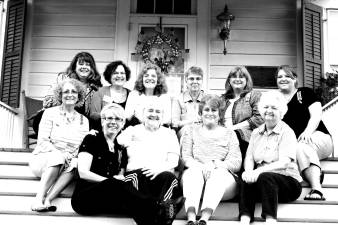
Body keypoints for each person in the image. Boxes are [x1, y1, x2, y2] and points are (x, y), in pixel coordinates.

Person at [71, 103, 174, 225]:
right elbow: (83, 173)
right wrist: (110, 181)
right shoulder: (92, 139)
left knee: (137, 205)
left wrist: (117, 180)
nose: (113, 122)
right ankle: (159, 205)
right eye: (109, 118)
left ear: (123, 124)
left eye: (118, 119)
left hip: (110, 197)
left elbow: (121, 174)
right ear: (102, 120)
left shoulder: (120, 147)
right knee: (119, 185)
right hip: (86, 198)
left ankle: (159, 212)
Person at [238, 91, 302, 224]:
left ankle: (270, 220)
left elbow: (284, 162)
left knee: (265, 176)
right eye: (266, 107)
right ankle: (245, 219)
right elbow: (249, 158)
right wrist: (249, 172)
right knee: (246, 178)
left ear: (282, 112)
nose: (269, 111)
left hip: (288, 183)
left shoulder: (287, 132)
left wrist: (258, 171)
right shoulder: (256, 133)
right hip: (264, 184)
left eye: (274, 107)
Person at [117, 100, 184, 225]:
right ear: (143, 114)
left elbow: (173, 161)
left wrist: (158, 169)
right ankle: (165, 212)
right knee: (137, 185)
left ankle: (164, 206)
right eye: (150, 110)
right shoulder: (132, 130)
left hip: (161, 174)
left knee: (170, 178)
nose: (154, 114)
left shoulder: (169, 134)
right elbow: (117, 140)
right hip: (137, 174)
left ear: (163, 116)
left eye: (158, 111)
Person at [29, 78, 89, 212]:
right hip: (44, 159)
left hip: (67, 162)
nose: (70, 94)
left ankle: (49, 199)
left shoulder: (83, 120)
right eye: (65, 91)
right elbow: (43, 141)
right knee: (57, 157)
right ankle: (38, 199)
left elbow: (81, 146)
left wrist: (71, 155)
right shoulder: (49, 113)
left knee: (78, 162)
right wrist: (60, 153)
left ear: (78, 96)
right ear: (60, 95)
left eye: (74, 92)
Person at [181, 94, 241, 225]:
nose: (210, 113)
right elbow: (186, 157)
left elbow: (236, 162)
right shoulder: (191, 131)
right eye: (206, 110)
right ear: (201, 113)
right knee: (193, 173)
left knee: (217, 174)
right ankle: (191, 219)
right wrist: (202, 167)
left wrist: (214, 164)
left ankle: (204, 220)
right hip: (196, 177)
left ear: (219, 114)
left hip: (224, 183)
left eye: (214, 110)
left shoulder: (230, 134)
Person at [276, 65, 334, 200]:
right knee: (297, 149)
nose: (283, 79)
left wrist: (308, 132)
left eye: (287, 76)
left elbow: (316, 114)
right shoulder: (276, 101)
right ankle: (316, 172)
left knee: (301, 146)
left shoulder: (304, 92)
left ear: (294, 79)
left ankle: (317, 189)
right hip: (296, 146)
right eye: (279, 77)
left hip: (318, 137)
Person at [35, 52, 101, 131]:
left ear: (92, 68)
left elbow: (94, 114)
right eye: (81, 64)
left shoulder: (95, 87)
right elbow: (47, 102)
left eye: (87, 64)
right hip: (57, 119)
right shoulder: (63, 78)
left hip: (78, 124)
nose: (84, 67)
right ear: (74, 67)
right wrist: (68, 99)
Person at [220, 66, 263, 165]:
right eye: (234, 76)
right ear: (229, 81)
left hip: (245, 137)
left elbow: (259, 118)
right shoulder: (222, 99)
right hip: (223, 136)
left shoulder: (254, 95)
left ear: (247, 80)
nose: (238, 79)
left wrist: (232, 128)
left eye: (241, 77)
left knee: (236, 134)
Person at [90, 60, 131, 130]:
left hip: (125, 135)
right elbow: (93, 115)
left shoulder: (131, 94)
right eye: (115, 73)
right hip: (103, 133)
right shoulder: (100, 92)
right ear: (109, 75)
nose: (119, 75)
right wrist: (108, 115)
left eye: (122, 73)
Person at [172, 66, 205, 135]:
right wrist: (192, 121)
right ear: (186, 80)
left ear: (202, 81)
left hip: (203, 134)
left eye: (198, 79)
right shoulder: (178, 99)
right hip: (185, 134)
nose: (195, 82)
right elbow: (175, 123)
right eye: (191, 79)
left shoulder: (207, 99)